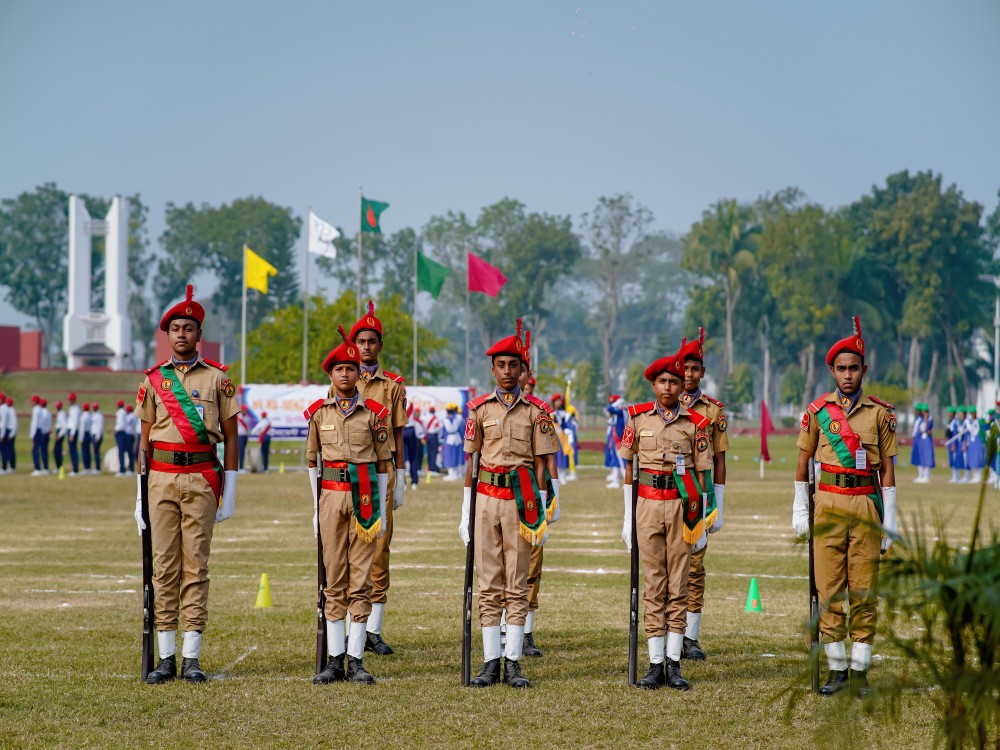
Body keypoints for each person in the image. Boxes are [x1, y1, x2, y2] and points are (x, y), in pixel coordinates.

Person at [134, 284, 239, 684]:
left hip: (201, 477)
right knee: (164, 567)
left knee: (196, 565)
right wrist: (139, 494)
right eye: (176, 328)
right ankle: (166, 657)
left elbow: (232, 438)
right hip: (160, 479)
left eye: (188, 328)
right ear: (168, 334)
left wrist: (230, 491)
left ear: (199, 334)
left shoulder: (218, 380)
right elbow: (144, 443)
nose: (182, 334)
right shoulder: (152, 381)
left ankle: (191, 656)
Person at [793, 316, 897, 697]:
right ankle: (837, 672)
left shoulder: (881, 414)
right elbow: (803, 463)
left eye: (854, 368)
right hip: (828, 504)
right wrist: (800, 509)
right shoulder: (818, 411)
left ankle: (861, 673)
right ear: (832, 371)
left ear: (864, 370)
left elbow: (888, 471)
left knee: (865, 591)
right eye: (842, 369)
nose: (848, 374)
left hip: (866, 506)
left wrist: (890, 521)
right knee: (830, 588)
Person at [460, 319, 555, 688]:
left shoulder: (536, 412)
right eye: (500, 365)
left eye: (513, 365)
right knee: (488, 583)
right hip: (486, 498)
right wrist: (465, 511)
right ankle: (490, 662)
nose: (507, 371)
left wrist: (542, 510)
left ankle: (512, 662)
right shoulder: (479, 409)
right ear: (492, 369)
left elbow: (543, 465)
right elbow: (470, 463)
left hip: (521, 500)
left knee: (517, 581)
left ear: (522, 369)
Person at [617, 347, 713, 691]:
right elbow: (628, 470)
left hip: (681, 507)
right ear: (653, 385)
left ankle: (673, 663)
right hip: (646, 505)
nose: (669, 387)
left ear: (681, 386)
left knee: (678, 585)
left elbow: (702, 475)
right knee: (654, 584)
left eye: (674, 381)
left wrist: (702, 520)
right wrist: (627, 519)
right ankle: (655, 662)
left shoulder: (696, 424)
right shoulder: (637, 420)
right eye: (662, 381)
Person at [305, 326, 391, 684]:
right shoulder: (318, 414)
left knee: (361, 579)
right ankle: (335, 659)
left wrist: (381, 509)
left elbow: (383, 463)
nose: (345, 374)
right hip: (330, 497)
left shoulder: (375, 414)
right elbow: (312, 462)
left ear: (358, 374)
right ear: (331, 374)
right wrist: (316, 508)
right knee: (334, 578)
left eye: (350, 368)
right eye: (339, 369)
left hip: (365, 499)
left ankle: (355, 659)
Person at [349, 300, 407, 656]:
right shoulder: (342, 377)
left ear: (380, 345)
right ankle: (349, 625)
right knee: (348, 549)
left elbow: (399, 434)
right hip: (347, 475)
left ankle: (373, 629)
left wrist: (402, 477)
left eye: (372, 341)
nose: (366, 347)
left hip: (381, 473)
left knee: (380, 548)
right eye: (361, 341)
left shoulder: (393, 386)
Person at [678, 329, 728, 661]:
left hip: (700, 497)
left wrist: (718, 505)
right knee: (668, 568)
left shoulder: (713, 411)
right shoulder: (664, 403)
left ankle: (690, 637)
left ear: (703, 372)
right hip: (669, 495)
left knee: (695, 568)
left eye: (695, 369)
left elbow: (720, 459)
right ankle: (668, 632)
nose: (689, 374)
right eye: (684, 368)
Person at [605, 394, 627, 488]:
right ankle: (615, 481)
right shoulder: (620, 412)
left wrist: (615, 404)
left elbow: (609, 409)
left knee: (622, 461)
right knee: (616, 461)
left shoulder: (621, 411)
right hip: (616, 439)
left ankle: (627, 482)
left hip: (620, 439)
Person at [441, 403, 466, 481]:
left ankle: (452, 474)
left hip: (449, 438)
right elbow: (462, 429)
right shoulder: (459, 418)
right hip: (458, 438)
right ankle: (458, 474)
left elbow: (443, 431)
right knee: (458, 456)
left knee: (449, 457)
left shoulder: (444, 419)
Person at [964, 406, 984, 483]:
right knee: (971, 459)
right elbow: (966, 434)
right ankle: (974, 476)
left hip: (978, 442)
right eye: (972, 413)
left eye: (974, 413)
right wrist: (965, 443)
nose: (973, 414)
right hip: (971, 443)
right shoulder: (968, 422)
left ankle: (978, 476)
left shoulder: (980, 421)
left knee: (977, 459)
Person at [423, 407, 442, 476]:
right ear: (434, 411)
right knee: (434, 452)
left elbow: (424, 427)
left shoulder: (426, 418)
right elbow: (438, 428)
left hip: (428, 435)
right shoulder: (436, 418)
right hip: (433, 436)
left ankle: (429, 468)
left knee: (429, 452)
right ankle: (432, 469)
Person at [945, 406, 961, 483]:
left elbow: (955, 434)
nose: (949, 414)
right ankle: (953, 476)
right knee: (951, 459)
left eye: (950, 413)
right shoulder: (949, 422)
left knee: (954, 459)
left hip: (954, 444)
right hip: (949, 443)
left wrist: (953, 445)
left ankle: (956, 476)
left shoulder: (955, 422)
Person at [66, 393, 81, 476]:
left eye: (70, 399)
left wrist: (72, 433)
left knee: (73, 450)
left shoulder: (76, 409)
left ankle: (75, 470)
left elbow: (75, 422)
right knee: (71, 451)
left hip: (73, 431)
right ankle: (74, 469)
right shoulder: (71, 408)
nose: (69, 401)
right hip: (70, 430)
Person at [30, 395, 45, 476]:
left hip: (36, 431)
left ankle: (37, 469)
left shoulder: (36, 409)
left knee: (35, 450)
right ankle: (39, 468)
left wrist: (32, 434)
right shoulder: (40, 409)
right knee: (38, 449)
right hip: (40, 430)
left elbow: (34, 423)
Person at [114, 400, 130, 475]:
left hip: (120, 433)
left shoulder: (119, 413)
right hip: (124, 432)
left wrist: (115, 430)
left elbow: (120, 424)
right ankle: (123, 469)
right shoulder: (124, 412)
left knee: (120, 452)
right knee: (123, 451)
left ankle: (122, 470)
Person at [2, 396, 16, 473]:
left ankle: (6, 467)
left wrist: (11, 433)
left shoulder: (7, 409)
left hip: (7, 431)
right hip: (7, 431)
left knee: (7, 450)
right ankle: (9, 467)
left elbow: (5, 423)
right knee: (8, 450)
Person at [89, 402, 104, 474]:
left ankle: (98, 468)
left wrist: (98, 436)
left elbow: (99, 426)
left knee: (97, 452)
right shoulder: (94, 415)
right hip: (94, 434)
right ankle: (96, 468)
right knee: (95, 452)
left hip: (97, 435)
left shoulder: (99, 416)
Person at [53, 400, 67, 474]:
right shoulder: (60, 413)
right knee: (56, 451)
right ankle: (58, 467)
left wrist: (60, 435)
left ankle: (59, 467)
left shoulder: (62, 414)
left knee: (57, 451)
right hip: (59, 432)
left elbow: (64, 426)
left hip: (60, 433)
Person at [123, 404, 137, 473]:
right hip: (131, 435)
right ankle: (130, 467)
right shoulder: (133, 416)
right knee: (129, 452)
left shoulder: (130, 416)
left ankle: (131, 468)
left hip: (129, 435)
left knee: (130, 452)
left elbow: (125, 422)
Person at [79, 403, 92, 474]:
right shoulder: (90, 416)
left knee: (84, 452)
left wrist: (81, 438)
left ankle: (86, 468)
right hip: (89, 434)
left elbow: (82, 428)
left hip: (84, 435)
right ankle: (88, 467)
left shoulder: (83, 417)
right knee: (88, 452)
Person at [236, 405, 250, 472]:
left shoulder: (247, 418)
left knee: (243, 451)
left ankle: (241, 466)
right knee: (240, 451)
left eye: (245, 410)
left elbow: (248, 427)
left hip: (245, 436)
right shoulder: (238, 417)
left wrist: (247, 436)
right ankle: (240, 467)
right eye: (244, 410)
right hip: (239, 436)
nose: (245, 411)